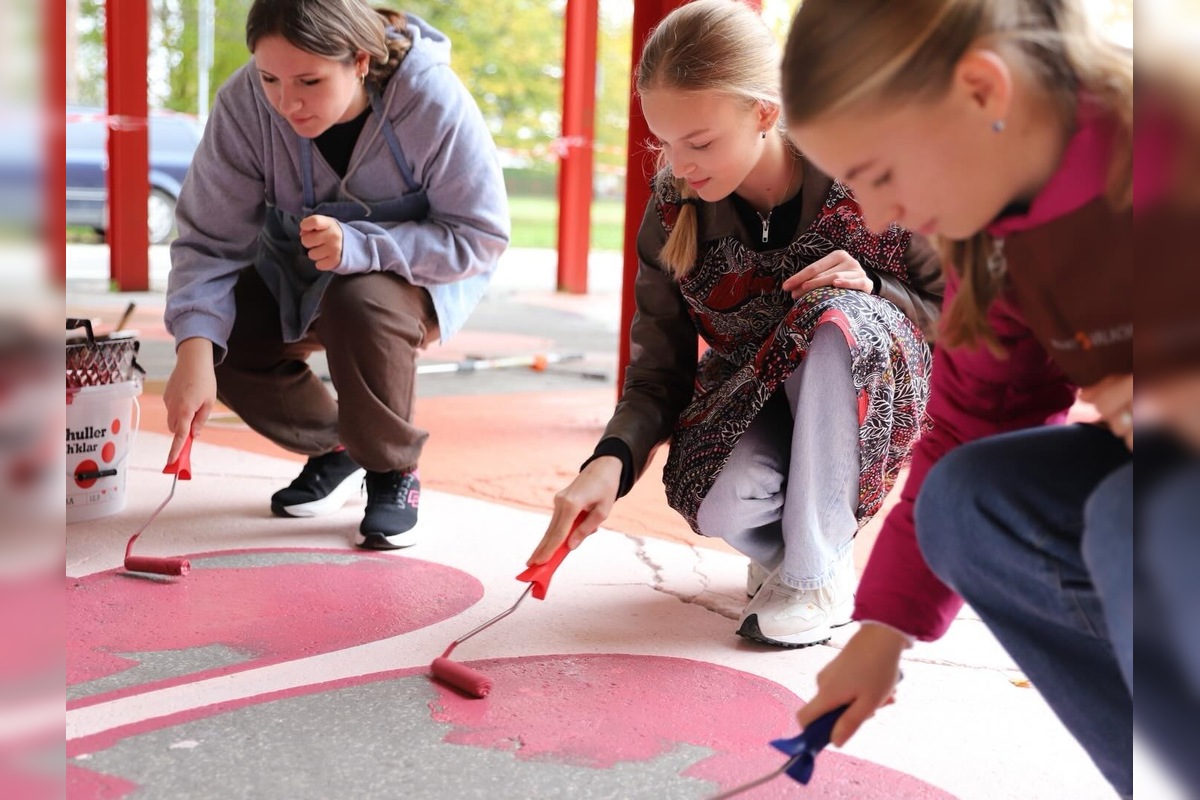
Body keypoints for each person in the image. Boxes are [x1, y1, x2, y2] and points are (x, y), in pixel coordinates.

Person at [780, 0, 1197, 795]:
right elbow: (968, 428)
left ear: (982, 90)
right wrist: (883, 631)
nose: (874, 216)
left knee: (1127, 521)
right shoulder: (1002, 238)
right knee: (970, 500)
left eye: (882, 173)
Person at [527, 0, 943, 649]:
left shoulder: (865, 167)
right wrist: (609, 461)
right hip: (748, 391)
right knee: (717, 501)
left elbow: (969, 313)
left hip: (866, 387)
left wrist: (880, 289)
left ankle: (812, 573)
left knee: (837, 318)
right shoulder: (672, 210)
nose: (680, 165)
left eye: (699, 142)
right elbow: (658, 370)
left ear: (765, 113)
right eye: (664, 141)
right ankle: (812, 547)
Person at [162, 0, 509, 550]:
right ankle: (338, 448)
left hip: (409, 281)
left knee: (360, 298)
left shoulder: (431, 99)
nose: (287, 103)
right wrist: (194, 350)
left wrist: (363, 246)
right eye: (269, 77)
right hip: (293, 270)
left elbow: (479, 235)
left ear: (361, 61)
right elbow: (209, 240)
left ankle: (393, 471)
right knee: (219, 336)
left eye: (310, 80)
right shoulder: (245, 104)